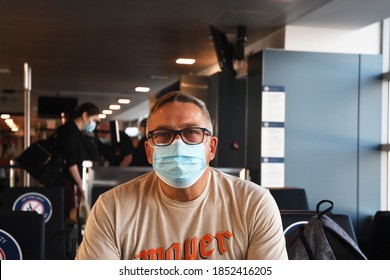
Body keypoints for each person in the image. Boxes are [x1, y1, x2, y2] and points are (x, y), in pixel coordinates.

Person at [75, 91, 287, 260]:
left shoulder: (254, 204)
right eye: (163, 134)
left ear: (211, 148)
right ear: (149, 151)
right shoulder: (112, 209)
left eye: (191, 132)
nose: (178, 143)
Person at [54, 102, 100, 218]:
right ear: (85, 116)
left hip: (69, 182)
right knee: (65, 217)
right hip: (64, 182)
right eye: (94, 120)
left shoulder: (77, 133)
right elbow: (70, 160)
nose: (93, 124)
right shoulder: (70, 131)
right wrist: (80, 184)